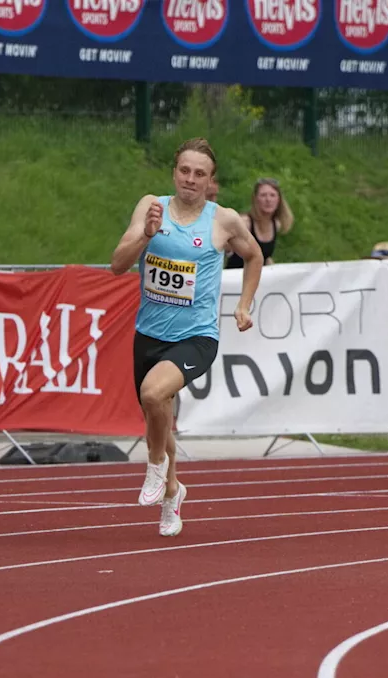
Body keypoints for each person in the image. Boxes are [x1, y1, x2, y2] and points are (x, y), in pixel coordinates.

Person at [110, 137, 263, 537]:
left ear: (211, 181)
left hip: (196, 336)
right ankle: (172, 492)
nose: (190, 180)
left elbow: (254, 256)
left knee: (153, 395)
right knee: (158, 418)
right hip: (149, 333)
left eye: (199, 174)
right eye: (184, 171)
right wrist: (145, 235)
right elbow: (116, 265)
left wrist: (244, 303)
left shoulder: (224, 220)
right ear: (174, 172)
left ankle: (156, 466)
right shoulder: (151, 206)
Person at [227, 177, 293, 269]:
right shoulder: (245, 223)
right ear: (256, 199)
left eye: (272, 195)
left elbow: (265, 256)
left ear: (279, 200)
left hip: (257, 278)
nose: (268, 200)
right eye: (263, 195)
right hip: (236, 277)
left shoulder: (276, 224)